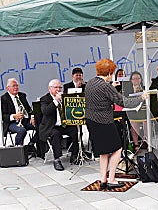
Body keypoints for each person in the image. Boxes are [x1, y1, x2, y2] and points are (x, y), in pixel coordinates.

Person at [85, 58, 148, 190]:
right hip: (104, 121)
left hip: (91, 120)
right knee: (117, 149)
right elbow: (125, 102)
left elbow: (99, 96)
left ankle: (103, 180)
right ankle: (112, 179)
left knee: (103, 152)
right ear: (108, 73)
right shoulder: (105, 86)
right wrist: (142, 97)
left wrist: (111, 88)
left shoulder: (90, 83)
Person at [38, 79, 79, 171]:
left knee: (75, 130)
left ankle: (74, 154)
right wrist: (56, 100)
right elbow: (46, 112)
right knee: (55, 134)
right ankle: (57, 159)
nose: (58, 89)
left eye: (60, 87)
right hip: (50, 126)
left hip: (64, 125)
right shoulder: (45, 99)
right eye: (56, 87)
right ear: (50, 88)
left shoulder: (64, 97)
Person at [1, 78, 37, 146]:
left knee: (41, 126)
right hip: (12, 123)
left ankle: (31, 145)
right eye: (14, 86)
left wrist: (32, 117)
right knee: (22, 130)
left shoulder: (22, 96)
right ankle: (18, 149)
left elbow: (29, 110)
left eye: (17, 86)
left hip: (25, 120)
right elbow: (3, 116)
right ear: (7, 88)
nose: (16, 88)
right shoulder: (3, 99)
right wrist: (14, 116)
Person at [129, 71, 146, 153]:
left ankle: (146, 141)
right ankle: (136, 145)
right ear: (131, 80)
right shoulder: (128, 89)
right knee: (134, 124)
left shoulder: (144, 87)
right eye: (134, 79)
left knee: (147, 122)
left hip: (143, 110)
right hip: (133, 111)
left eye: (138, 78)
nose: (136, 80)